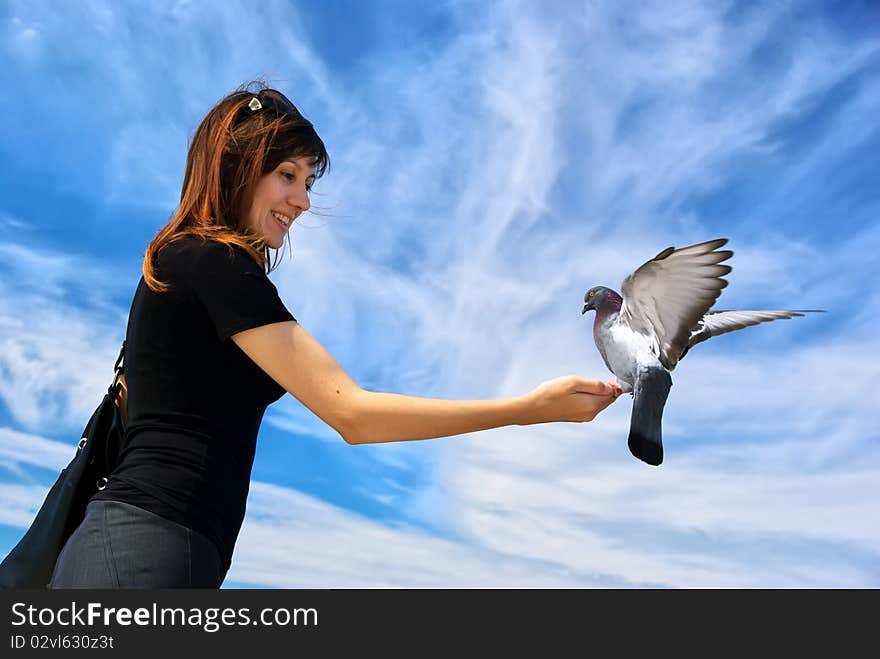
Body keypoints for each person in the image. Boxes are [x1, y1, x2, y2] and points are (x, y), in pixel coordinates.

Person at [48, 82, 622, 589]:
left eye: (307, 180)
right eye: (287, 176)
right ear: (235, 168)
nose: (302, 201)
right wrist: (529, 408)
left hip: (149, 545)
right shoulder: (215, 264)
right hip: (146, 547)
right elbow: (354, 415)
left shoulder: (183, 264)